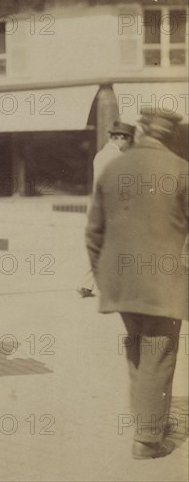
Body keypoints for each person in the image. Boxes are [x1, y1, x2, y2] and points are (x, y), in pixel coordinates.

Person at [85, 108, 188, 459]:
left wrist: (104, 278)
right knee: (159, 352)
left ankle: (149, 420)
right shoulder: (181, 170)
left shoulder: (113, 167)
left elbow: (93, 233)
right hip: (163, 283)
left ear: (141, 131)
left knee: (137, 347)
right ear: (171, 136)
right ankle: (147, 439)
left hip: (120, 281)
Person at [77, 121, 135, 297]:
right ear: (120, 139)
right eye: (129, 141)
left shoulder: (101, 154)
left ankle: (87, 284)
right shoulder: (116, 157)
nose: (129, 145)